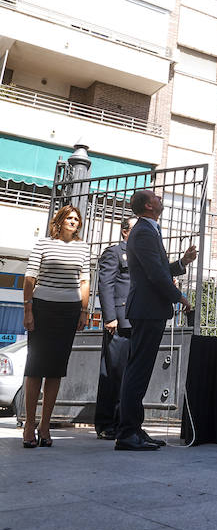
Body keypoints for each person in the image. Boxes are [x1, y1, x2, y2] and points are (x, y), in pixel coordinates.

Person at [115, 188, 196, 451]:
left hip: (149, 309)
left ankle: (134, 429)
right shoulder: (144, 232)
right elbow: (155, 275)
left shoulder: (148, 230)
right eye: (156, 197)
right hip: (147, 310)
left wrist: (182, 262)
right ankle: (127, 433)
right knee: (138, 370)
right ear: (149, 206)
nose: (160, 199)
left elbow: (159, 269)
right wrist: (180, 297)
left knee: (140, 369)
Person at [22, 205, 90, 448]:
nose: (73, 222)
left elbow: (85, 281)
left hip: (69, 310)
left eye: (76, 219)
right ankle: (29, 424)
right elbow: (30, 277)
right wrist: (28, 310)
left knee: (56, 369)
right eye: (69, 218)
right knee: (35, 367)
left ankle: (44, 424)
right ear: (59, 221)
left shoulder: (83, 247)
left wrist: (83, 311)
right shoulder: (43, 244)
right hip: (42, 307)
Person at [94, 216, 137, 440]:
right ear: (124, 232)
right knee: (113, 373)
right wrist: (109, 316)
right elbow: (106, 283)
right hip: (119, 320)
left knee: (131, 376)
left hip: (139, 320)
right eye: (135, 228)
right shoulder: (114, 252)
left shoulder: (144, 254)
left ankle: (126, 423)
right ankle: (106, 423)